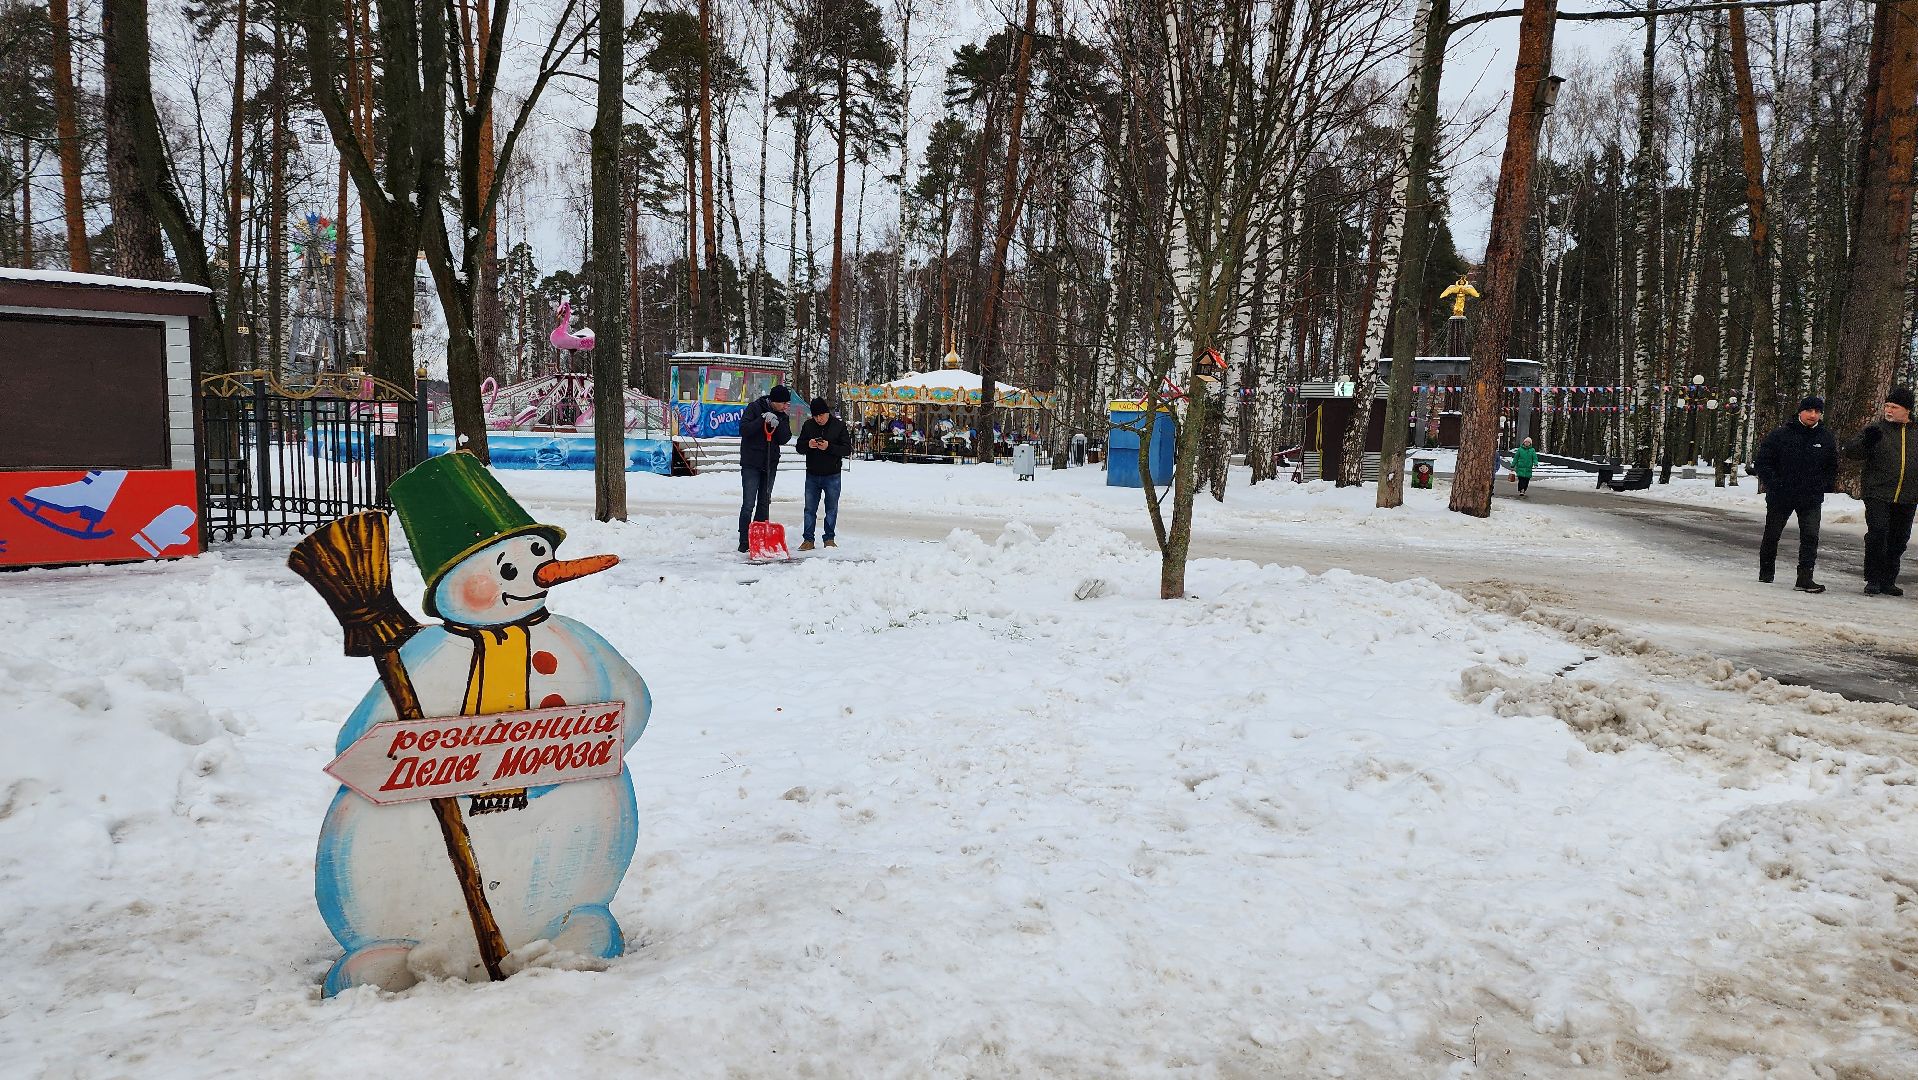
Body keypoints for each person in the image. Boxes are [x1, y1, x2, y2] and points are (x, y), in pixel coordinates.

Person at [1755, 395, 1838, 593]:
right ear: (1800, 411)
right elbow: (1763, 462)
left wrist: (1823, 485)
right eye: (1809, 410)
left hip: (1810, 497)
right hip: (1781, 495)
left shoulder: (1825, 437)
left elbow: (1831, 466)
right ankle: (1766, 573)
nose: (1813, 415)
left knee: (1810, 536)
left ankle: (1805, 577)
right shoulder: (1781, 434)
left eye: (1817, 412)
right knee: (1772, 534)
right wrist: (1775, 484)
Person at [1846, 385, 1917, 596]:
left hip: (1908, 494)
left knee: (1899, 539)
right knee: (1878, 533)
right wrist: (1866, 443)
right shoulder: (1876, 430)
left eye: (1894, 406)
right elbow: (1851, 452)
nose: (1888, 410)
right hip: (1877, 492)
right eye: (1887, 405)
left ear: (1907, 410)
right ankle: (1873, 579)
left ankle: (1888, 580)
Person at [737, 384, 792, 553]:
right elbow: (744, 430)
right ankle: (744, 539)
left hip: (770, 463)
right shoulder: (754, 408)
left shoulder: (782, 415)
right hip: (751, 463)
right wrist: (762, 419)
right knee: (748, 503)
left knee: (764, 502)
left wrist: (779, 421)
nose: (786, 406)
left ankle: (759, 537)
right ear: (774, 401)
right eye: (783, 403)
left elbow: (784, 438)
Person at [796, 397, 852, 550]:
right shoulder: (808, 426)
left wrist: (829, 447)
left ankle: (829, 538)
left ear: (827, 413)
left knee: (831, 508)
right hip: (812, 474)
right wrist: (808, 444)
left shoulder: (839, 426)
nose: (819, 419)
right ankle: (808, 539)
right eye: (815, 416)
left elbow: (847, 449)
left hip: (832, 474)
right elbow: (799, 447)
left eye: (821, 415)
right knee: (809, 509)